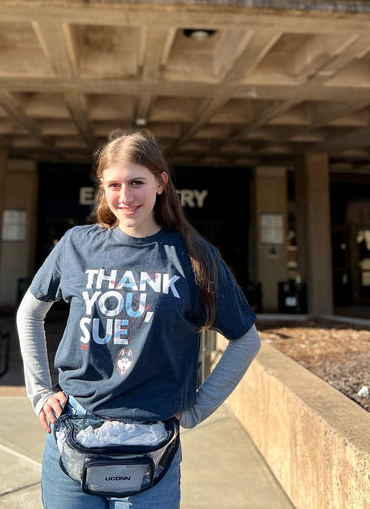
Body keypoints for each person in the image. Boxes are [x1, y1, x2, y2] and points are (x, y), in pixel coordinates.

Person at [17, 130, 261, 508]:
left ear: (161, 183)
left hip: (153, 444)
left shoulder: (193, 256)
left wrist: (199, 407)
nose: (125, 197)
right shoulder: (77, 245)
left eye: (137, 183)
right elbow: (29, 312)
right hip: (74, 430)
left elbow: (246, 338)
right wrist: (39, 391)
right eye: (114, 184)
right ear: (102, 187)